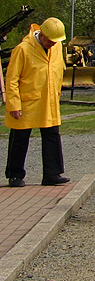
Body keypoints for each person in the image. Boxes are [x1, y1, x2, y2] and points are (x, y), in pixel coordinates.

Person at [5, 18, 70, 187]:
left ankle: (52, 174)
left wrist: (57, 94)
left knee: (52, 135)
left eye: (55, 41)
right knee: (19, 137)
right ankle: (15, 174)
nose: (52, 44)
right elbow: (11, 79)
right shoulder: (22, 49)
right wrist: (14, 104)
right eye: (49, 41)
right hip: (26, 101)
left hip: (48, 100)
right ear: (41, 35)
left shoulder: (57, 48)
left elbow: (59, 71)